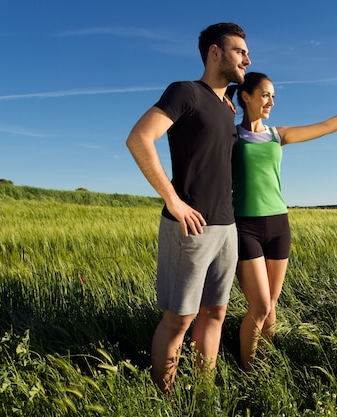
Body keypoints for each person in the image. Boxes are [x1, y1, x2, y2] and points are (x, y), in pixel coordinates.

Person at [230, 72, 337, 370]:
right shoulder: (230, 135)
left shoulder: (278, 135)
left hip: (278, 225)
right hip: (245, 226)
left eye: (273, 96)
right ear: (246, 97)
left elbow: (328, 126)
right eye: (265, 95)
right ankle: (247, 372)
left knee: (271, 308)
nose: (271, 101)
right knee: (258, 307)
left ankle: (265, 368)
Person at [125, 22, 250, 394]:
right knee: (179, 320)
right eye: (240, 51)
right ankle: (165, 399)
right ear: (215, 52)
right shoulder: (186, 92)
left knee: (216, 313)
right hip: (190, 229)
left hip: (227, 229)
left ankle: (203, 394)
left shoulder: (227, 108)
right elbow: (139, 138)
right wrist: (172, 200)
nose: (247, 58)